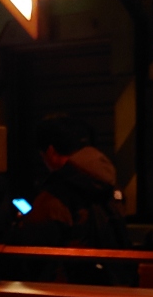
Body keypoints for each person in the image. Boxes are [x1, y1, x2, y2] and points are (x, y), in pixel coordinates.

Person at [8, 113, 132, 283]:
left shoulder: (54, 197)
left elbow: (32, 253)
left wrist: (23, 223)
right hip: (116, 282)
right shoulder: (111, 184)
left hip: (70, 290)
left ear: (51, 152)